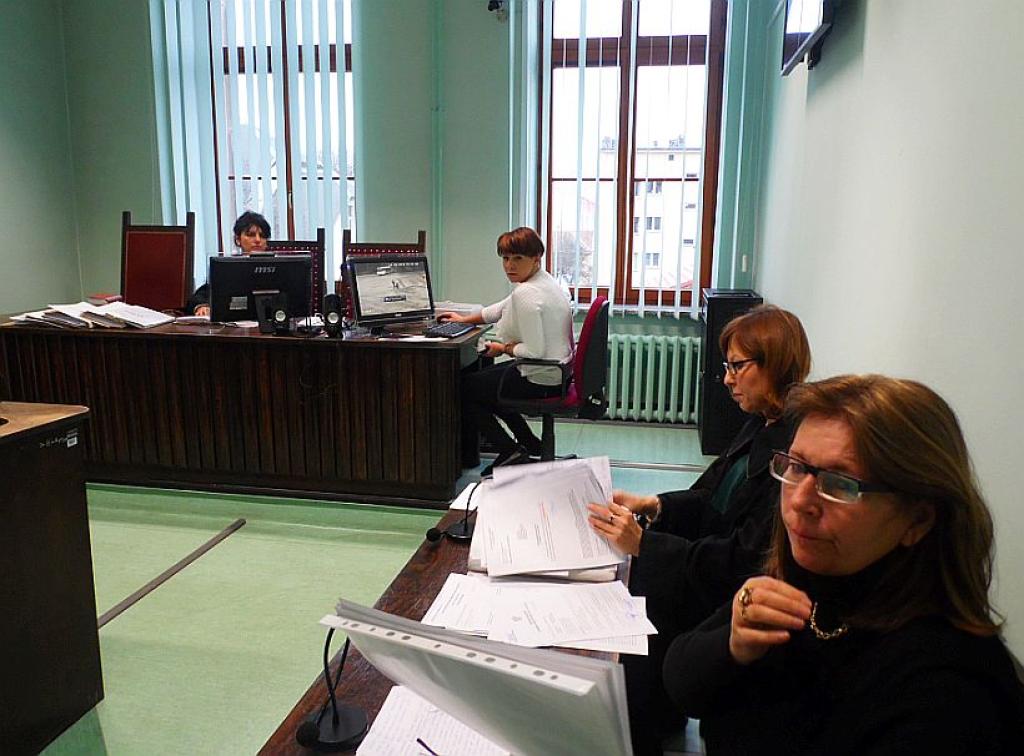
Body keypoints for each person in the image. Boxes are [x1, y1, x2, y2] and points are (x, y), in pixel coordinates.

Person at [664, 375, 1024, 754]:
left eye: (839, 483)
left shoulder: (946, 692)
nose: (800, 501)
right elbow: (681, 682)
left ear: (917, 519)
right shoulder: (814, 576)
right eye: (797, 467)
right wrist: (733, 644)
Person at [586, 304, 811, 755]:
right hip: (705, 567)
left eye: (737, 366)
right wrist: (654, 505)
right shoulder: (760, 424)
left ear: (775, 364)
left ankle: (637, 732)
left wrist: (646, 544)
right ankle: (655, 715)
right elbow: (709, 495)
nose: (727, 379)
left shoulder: (793, 453)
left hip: (725, 593)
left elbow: (743, 559)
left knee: (629, 600)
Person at [438, 227, 572, 475]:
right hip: (556, 371)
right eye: (505, 258)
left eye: (518, 258)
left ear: (536, 257)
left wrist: (503, 348)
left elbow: (534, 350)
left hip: (540, 375)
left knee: (464, 389)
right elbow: (499, 309)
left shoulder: (527, 293)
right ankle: (529, 443)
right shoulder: (543, 281)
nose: (509, 265)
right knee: (482, 383)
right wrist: (464, 319)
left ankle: (509, 450)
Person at [187, 211, 271, 316]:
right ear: (238, 239)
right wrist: (202, 306)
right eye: (251, 235)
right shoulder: (227, 266)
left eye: (262, 236)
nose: (258, 240)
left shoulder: (280, 267)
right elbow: (200, 296)